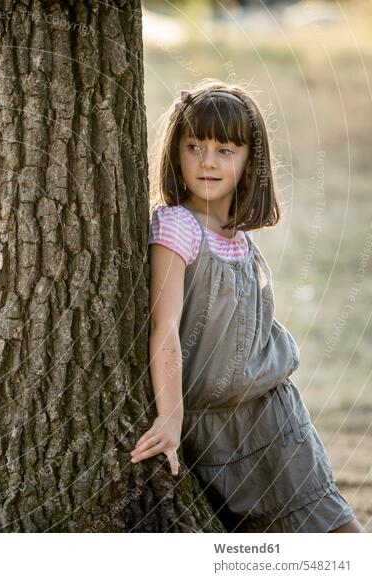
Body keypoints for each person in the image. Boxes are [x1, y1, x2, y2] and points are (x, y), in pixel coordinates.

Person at [130, 80, 363, 532]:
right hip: (209, 426)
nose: (208, 161)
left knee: (335, 531)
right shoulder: (178, 226)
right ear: (176, 153)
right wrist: (171, 417)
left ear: (249, 160)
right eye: (194, 146)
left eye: (225, 150)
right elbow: (165, 328)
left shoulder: (240, 236)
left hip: (272, 417)